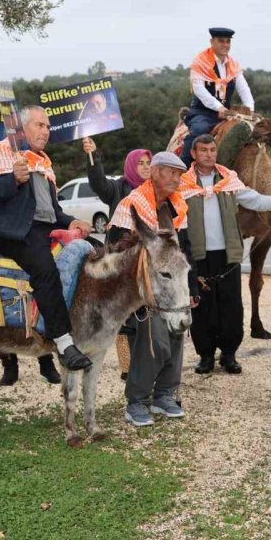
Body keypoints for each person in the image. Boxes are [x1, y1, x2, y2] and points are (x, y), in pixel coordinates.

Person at [0, 105, 93, 371]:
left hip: (41, 229)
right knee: (44, 268)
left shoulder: (42, 162)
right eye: (40, 125)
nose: (46, 131)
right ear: (21, 128)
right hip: (11, 231)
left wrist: (72, 221)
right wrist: (13, 179)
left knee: (93, 252)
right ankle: (63, 343)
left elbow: (52, 211)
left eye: (48, 127)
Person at [178, 134, 271, 374]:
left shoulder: (228, 179)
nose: (209, 154)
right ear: (194, 154)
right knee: (202, 307)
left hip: (228, 254)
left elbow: (255, 200)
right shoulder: (183, 184)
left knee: (231, 305)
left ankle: (229, 354)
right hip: (198, 255)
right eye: (203, 150)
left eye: (212, 150)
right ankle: (205, 355)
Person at [106, 152, 199, 427]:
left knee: (177, 335)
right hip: (141, 291)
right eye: (170, 172)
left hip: (172, 289)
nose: (175, 179)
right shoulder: (131, 205)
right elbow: (114, 249)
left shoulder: (175, 208)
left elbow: (186, 252)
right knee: (153, 342)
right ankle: (137, 401)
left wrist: (192, 289)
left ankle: (164, 395)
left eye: (179, 175)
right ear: (154, 173)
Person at [0, 163, 59, 386]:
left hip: (27, 244)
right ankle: (9, 362)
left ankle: (45, 360)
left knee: (39, 291)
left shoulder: (28, 177)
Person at [82, 137, 152, 381]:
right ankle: (127, 366)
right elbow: (98, 183)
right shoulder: (118, 189)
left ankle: (147, 361)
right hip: (121, 264)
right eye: (140, 163)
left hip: (146, 261)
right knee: (124, 316)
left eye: (148, 162)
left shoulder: (155, 191)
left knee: (147, 313)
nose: (145, 166)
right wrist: (93, 157)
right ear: (131, 165)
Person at [181, 27, 255, 165]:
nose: (225, 45)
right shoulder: (200, 62)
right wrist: (219, 107)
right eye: (221, 41)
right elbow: (199, 90)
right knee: (199, 130)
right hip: (203, 113)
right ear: (212, 41)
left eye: (228, 42)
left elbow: (244, 88)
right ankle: (182, 170)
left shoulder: (233, 65)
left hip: (227, 114)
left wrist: (250, 108)